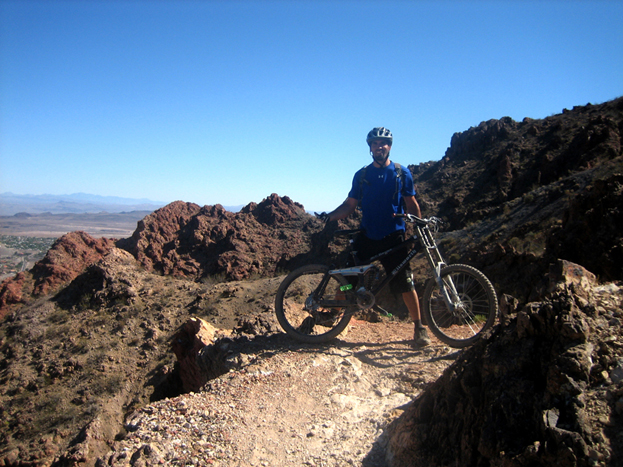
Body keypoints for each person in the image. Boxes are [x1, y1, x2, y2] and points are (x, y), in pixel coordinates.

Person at [317, 127, 431, 347]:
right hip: (367, 235)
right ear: (370, 147)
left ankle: (419, 328)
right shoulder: (362, 175)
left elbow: (411, 203)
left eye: (384, 143)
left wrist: (420, 227)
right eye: (376, 143)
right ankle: (333, 315)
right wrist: (329, 217)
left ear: (390, 146)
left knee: (406, 282)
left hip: (394, 237)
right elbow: (349, 206)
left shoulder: (401, 172)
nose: (380, 146)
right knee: (346, 281)